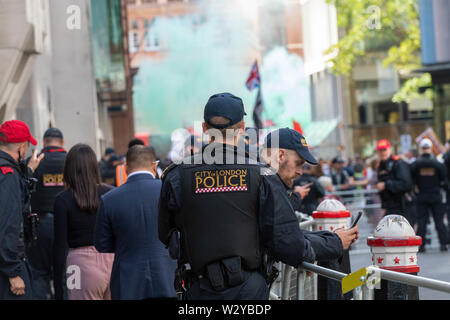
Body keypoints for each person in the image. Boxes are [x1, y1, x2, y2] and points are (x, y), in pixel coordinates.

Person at [158, 93, 358, 300]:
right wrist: (333, 243)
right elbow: (287, 243)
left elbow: (165, 234)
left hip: (198, 290)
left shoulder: (177, 176)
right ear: (243, 128)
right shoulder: (263, 175)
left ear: (204, 128)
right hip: (248, 291)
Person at [262, 128, 359, 300]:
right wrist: (334, 243)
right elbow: (290, 245)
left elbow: (286, 234)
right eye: (298, 163)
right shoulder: (269, 183)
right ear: (280, 155)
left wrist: (329, 238)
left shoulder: (262, 179)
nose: (300, 171)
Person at [95, 146, 177, 300]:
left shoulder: (109, 199)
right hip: (168, 277)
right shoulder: (169, 191)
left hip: (128, 282)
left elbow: (102, 244)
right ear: (154, 166)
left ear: (125, 169)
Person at [53, 144, 114, 300]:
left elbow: (60, 246)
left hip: (78, 264)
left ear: (68, 169)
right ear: (94, 166)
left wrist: (58, 290)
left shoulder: (62, 200)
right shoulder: (111, 193)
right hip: (112, 259)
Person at [0, 120, 44, 300]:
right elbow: (8, 224)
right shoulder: (8, 176)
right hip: (7, 266)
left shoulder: (8, 171)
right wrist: (13, 272)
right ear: (22, 146)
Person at [27, 128, 66, 300]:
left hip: (40, 225)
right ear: (62, 143)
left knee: (39, 273)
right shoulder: (70, 161)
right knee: (64, 273)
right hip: (65, 226)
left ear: (44, 142)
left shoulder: (34, 162)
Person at [410, 138, 448, 252]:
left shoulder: (416, 163)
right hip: (435, 195)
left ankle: (421, 246)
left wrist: (415, 188)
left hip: (421, 195)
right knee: (439, 221)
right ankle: (443, 244)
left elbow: (411, 179)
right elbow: (444, 179)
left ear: (421, 149)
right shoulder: (437, 163)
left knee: (422, 221)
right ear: (431, 148)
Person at [375, 139, 413, 219]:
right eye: (380, 150)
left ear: (390, 150)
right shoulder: (380, 165)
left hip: (402, 206)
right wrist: (384, 207)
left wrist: (386, 185)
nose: (382, 152)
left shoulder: (398, 163)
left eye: (384, 150)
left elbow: (407, 184)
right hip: (389, 207)